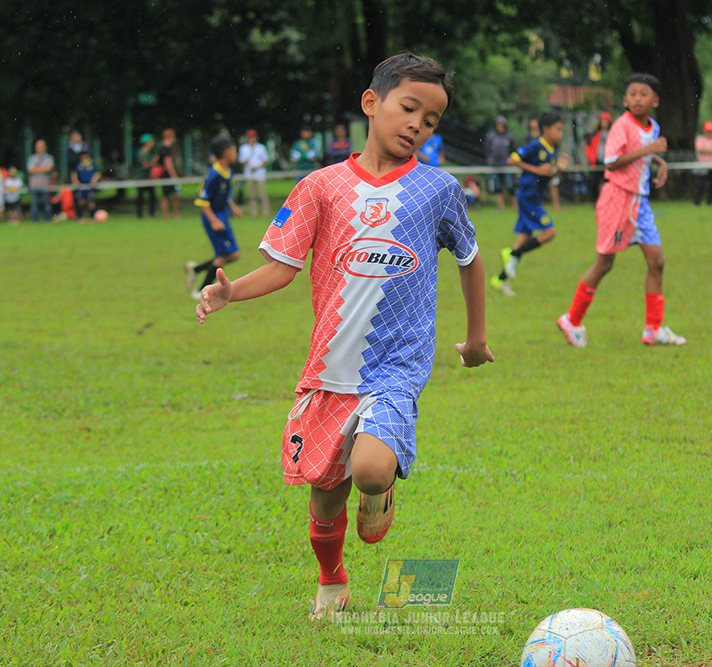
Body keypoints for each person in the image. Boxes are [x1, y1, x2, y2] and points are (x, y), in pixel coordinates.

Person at [194, 53, 492, 621]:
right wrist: (231, 293)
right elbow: (283, 266)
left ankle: (381, 489)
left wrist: (476, 339)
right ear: (371, 102)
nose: (417, 125)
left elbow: (471, 259)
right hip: (331, 368)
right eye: (410, 109)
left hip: (396, 366)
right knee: (325, 494)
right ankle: (332, 579)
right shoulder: (320, 186)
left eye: (431, 121)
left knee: (371, 468)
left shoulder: (437, 189)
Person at [556, 73, 681, 348]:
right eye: (632, 94)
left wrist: (659, 161)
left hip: (641, 203)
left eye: (643, 94)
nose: (637, 98)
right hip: (617, 199)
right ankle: (572, 320)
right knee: (605, 264)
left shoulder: (653, 128)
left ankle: (653, 329)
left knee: (657, 262)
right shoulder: (621, 126)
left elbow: (642, 150)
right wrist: (651, 150)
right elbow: (611, 162)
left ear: (655, 101)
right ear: (625, 100)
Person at [490, 112, 570, 297]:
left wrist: (559, 170)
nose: (561, 133)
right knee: (550, 233)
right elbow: (512, 159)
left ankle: (500, 280)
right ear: (546, 129)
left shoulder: (552, 150)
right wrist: (536, 169)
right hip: (527, 196)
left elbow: (547, 177)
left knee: (524, 239)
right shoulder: (535, 145)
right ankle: (512, 253)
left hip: (535, 197)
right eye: (558, 129)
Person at [185, 136, 244, 299]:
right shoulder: (213, 174)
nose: (236, 153)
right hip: (212, 217)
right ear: (226, 152)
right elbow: (202, 201)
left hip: (223, 216)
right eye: (234, 150)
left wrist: (233, 207)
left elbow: (225, 195)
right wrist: (214, 220)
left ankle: (195, 270)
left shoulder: (228, 171)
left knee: (234, 255)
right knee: (223, 256)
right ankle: (200, 291)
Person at [485, 115, 516, 210]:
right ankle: (501, 208)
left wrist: (511, 160)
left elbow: (514, 150)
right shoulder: (491, 136)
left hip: (507, 166)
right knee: (497, 187)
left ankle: (517, 208)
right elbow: (487, 150)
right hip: (495, 166)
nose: (500, 127)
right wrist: (490, 159)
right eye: (498, 125)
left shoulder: (510, 137)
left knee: (511, 186)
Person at [237, 129, 270, 217]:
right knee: (252, 195)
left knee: (262, 194)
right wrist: (246, 162)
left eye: (253, 137)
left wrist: (257, 167)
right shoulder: (244, 148)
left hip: (260, 173)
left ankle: (265, 212)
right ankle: (254, 212)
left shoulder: (261, 148)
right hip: (249, 174)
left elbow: (266, 161)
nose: (252, 139)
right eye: (250, 137)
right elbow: (241, 161)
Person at [693, 120, 712, 206]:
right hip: (703, 166)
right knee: (700, 185)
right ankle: (697, 202)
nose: (710, 133)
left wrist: (707, 151)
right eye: (708, 131)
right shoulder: (700, 139)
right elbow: (700, 149)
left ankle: (710, 202)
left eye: (711, 132)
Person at [585, 111, 613, 202]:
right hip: (597, 161)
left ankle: (606, 200)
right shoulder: (594, 135)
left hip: (609, 161)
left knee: (606, 182)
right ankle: (596, 200)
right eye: (602, 121)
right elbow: (589, 147)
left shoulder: (613, 134)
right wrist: (590, 158)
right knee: (594, 182)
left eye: (606, 121)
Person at [27, 139, 54, 222]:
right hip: (34, 184)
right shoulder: (31, 158)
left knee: (47, 204)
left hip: (45, 184)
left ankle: (47, 220)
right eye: (38, 147)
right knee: (34, 204)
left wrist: (36, 169)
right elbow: (30, 170)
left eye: (41, 147)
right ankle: (34, 220)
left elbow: (49, 168)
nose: (39, 149)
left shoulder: (49, 158)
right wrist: (43, 168)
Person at [158, 128, 181, 219]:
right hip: (168, 175)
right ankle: (171, 215)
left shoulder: (165, 148)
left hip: (167, 175)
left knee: (169, 195)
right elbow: (168, 163)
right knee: (171, 195)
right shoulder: (165, 149)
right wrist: (174, 176)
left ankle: (169, 215)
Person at [72, 149, 100, 220]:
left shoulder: (92, 164)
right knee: (80, 201)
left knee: (91, 202)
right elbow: (74, 174)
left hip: (90, 186)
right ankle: (80, 217)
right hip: (81, 186)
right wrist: (76, 182)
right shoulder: (79, 165)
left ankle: (92, 217)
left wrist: (94, 181)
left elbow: (97, 173)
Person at [136, 133, 158, 219]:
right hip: (142, 178)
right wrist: (154, 162)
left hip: (148, 178)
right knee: (141, 197)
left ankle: (151, 214)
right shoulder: (143, 153)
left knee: (152, 196)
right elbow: (145, 165)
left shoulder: (148, 152)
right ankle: (140, 215)